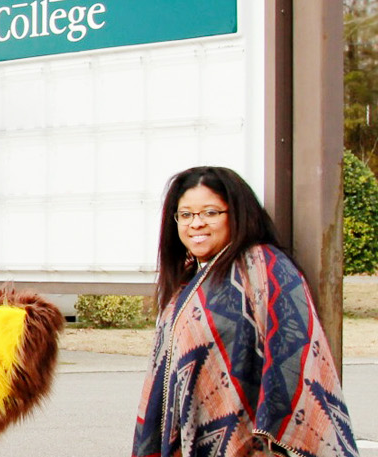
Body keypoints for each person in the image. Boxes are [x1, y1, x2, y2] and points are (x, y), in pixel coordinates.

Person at [133, 166, 359, 457]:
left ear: (237, 215)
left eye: (211, 212)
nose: (196, 224)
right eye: (186, 214)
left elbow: (295, 352)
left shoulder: (265, 268)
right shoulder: (188, 281)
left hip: (253, 441)